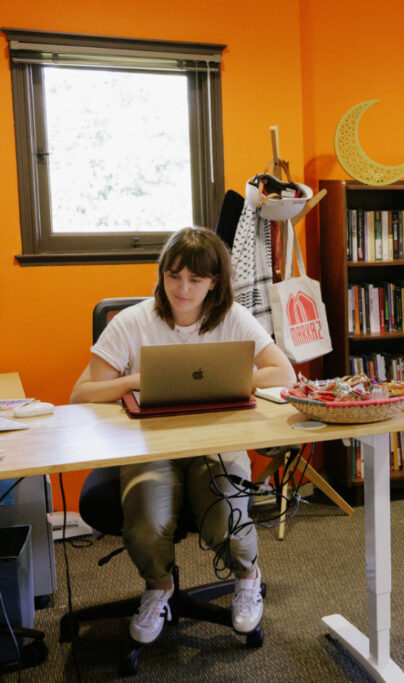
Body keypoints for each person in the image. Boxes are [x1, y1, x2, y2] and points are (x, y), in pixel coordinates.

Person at [69, 227, 296, 645]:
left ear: (214, 282)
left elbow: (284, 374)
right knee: (148, 521)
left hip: (215, 443)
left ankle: (247, 577)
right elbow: (81, 393)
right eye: (174, 276)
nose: (183, 288)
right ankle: (159, 587)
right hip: (148, 446)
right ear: (161, 275)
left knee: (224, 516)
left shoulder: (231, 319)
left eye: (195, 279)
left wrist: (229, 377)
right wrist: (136, 380)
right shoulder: (135, 321)